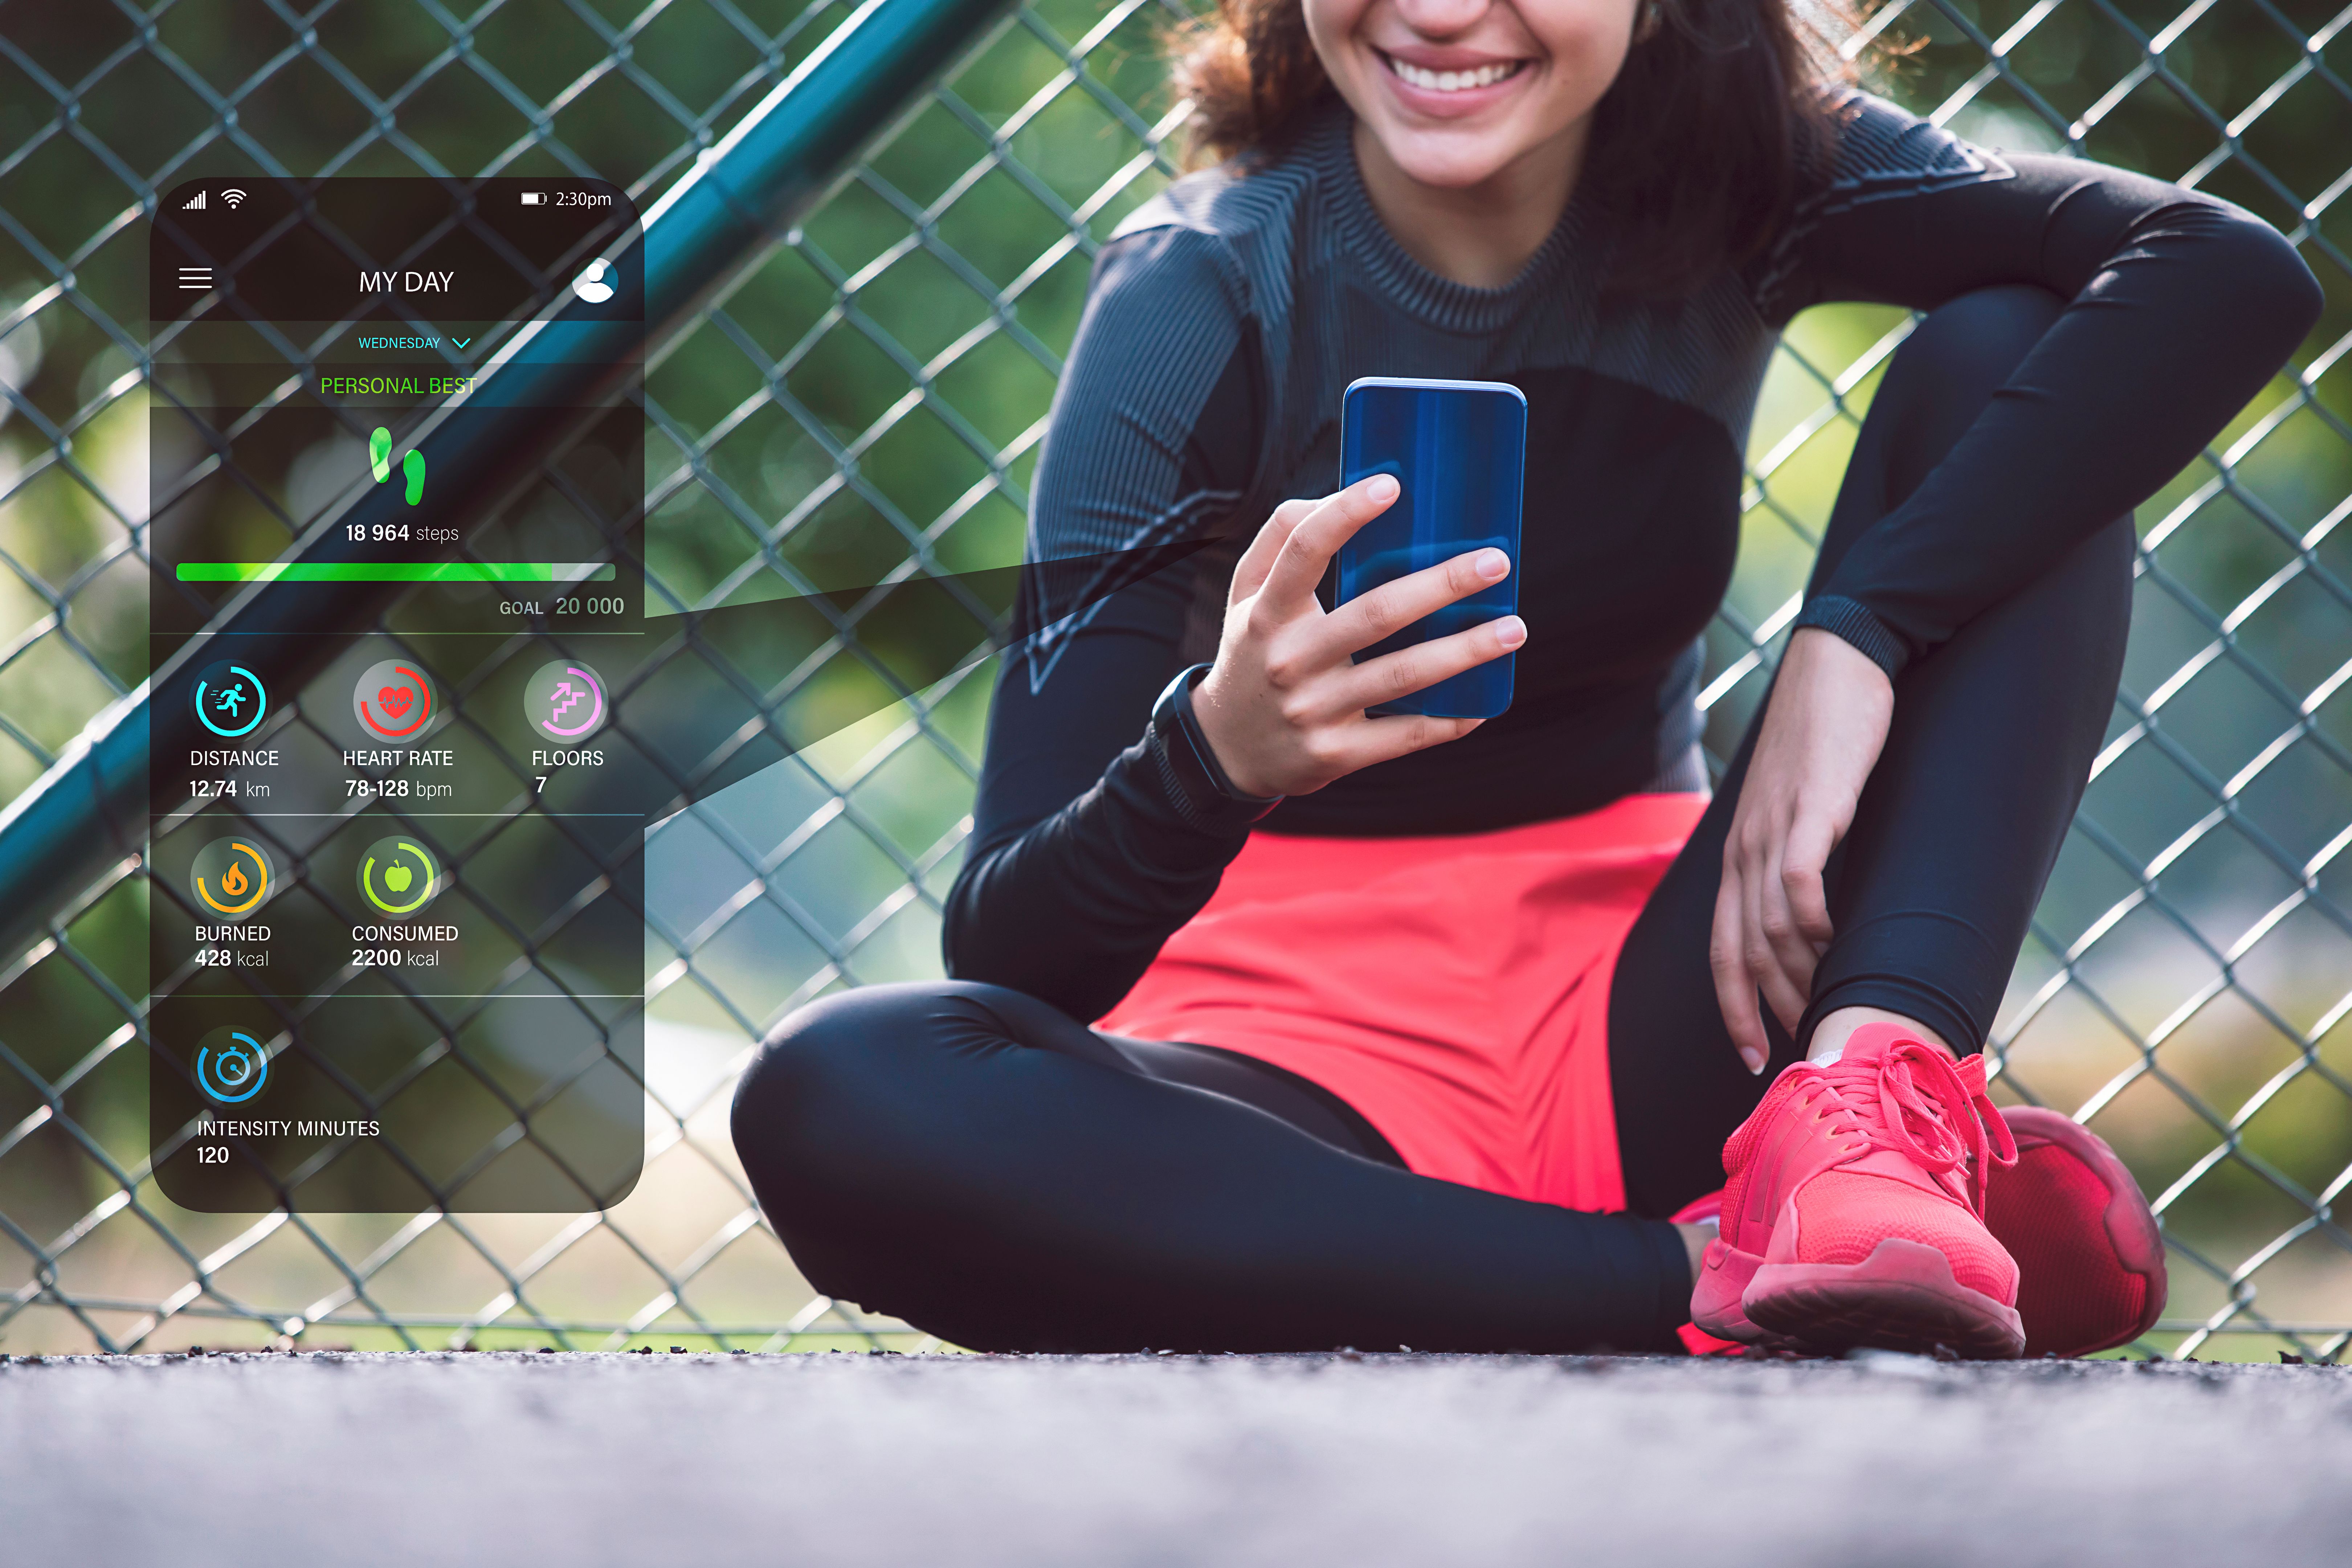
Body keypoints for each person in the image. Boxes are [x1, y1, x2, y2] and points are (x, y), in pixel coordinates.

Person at [732, 0, 2319, 1355]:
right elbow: (1016, 948)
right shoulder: (1194, 295)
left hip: (1680, 1007)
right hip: (1290, 1100)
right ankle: (1707, 1276)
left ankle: (1859, 1130)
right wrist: (1217, 753)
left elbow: (2223, 270)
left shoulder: (1759, 177)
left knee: (2017, 348)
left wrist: (1865, 631)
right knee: (839, 1089)